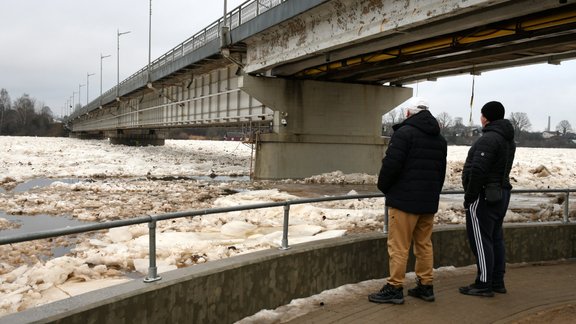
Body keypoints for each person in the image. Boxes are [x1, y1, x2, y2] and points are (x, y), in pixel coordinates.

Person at [368, 97, 447, 304]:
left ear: (410, 114)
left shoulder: (404, 134)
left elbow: (391, 166)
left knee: (399, 245)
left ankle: (395, 287)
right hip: (428, 200)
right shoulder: (440, 139)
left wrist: (384, 187)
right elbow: (441, 172)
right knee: (424, 244)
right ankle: (426, 286)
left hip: (404, 200)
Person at [460, 101, 516, 297]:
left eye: (482, 114)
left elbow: (478, 170)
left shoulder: (489, 139)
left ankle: (484, 283)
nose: (480, 118)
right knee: (495, 237)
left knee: (481, 240)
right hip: (501, 193)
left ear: (487, 117)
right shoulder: (508, 139)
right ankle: (496, 280)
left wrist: (470, 197)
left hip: (485, 195)